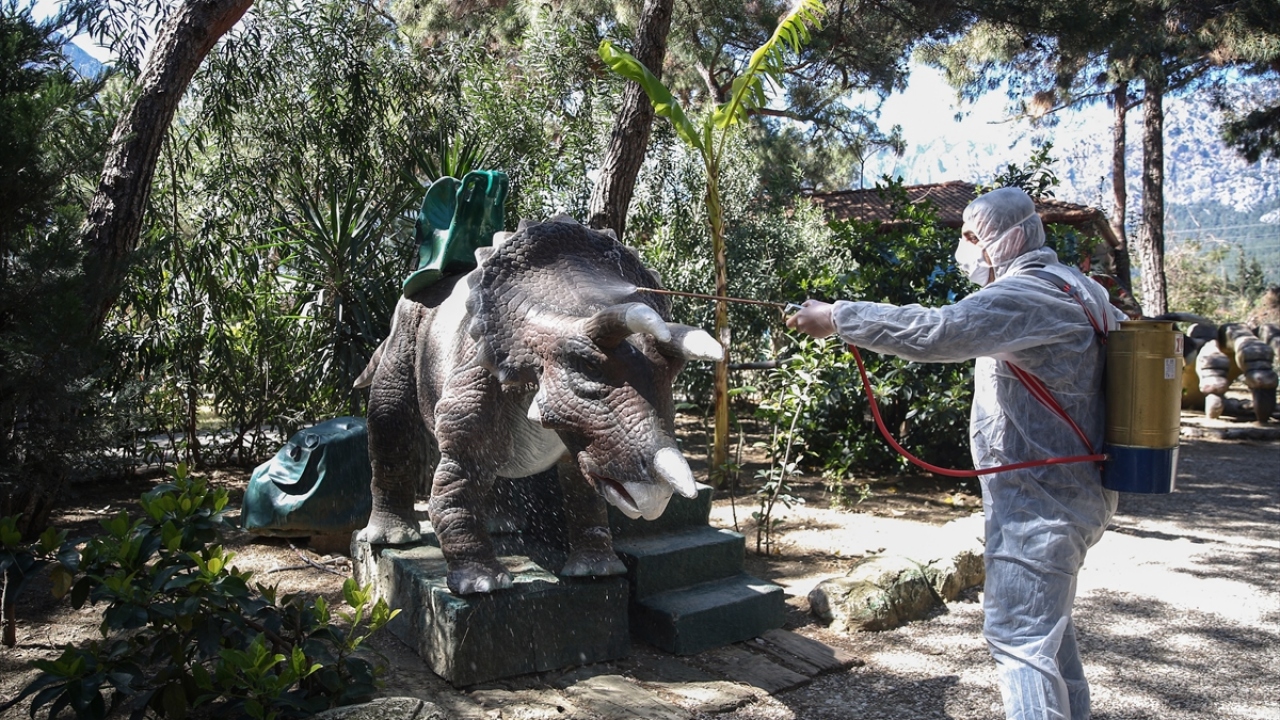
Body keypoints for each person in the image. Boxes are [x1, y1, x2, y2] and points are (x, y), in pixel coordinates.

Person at [786, 187, 1128, 720]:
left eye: (972, 236)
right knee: (1048, 634)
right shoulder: (1079, 287)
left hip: (1042, 502)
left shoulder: (1026, 296)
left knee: (1020, 638)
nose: (962, 248)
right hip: (1071, 491)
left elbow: (939, 330)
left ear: (1009, 237)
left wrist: (838, 317)